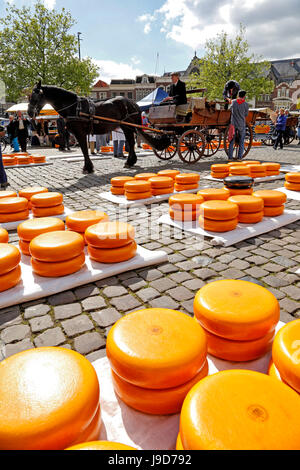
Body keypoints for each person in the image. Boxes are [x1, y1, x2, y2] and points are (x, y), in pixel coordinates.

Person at [228, 90, 249, 161]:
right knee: (241, 141)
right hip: (241, 124)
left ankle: (230, 157)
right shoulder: (246, 104)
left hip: (233, 124)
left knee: (231, 141)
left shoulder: (233, 102)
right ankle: (240, 157)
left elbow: (230, 109)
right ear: (244, 96)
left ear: (238, 95)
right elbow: (246, 114)